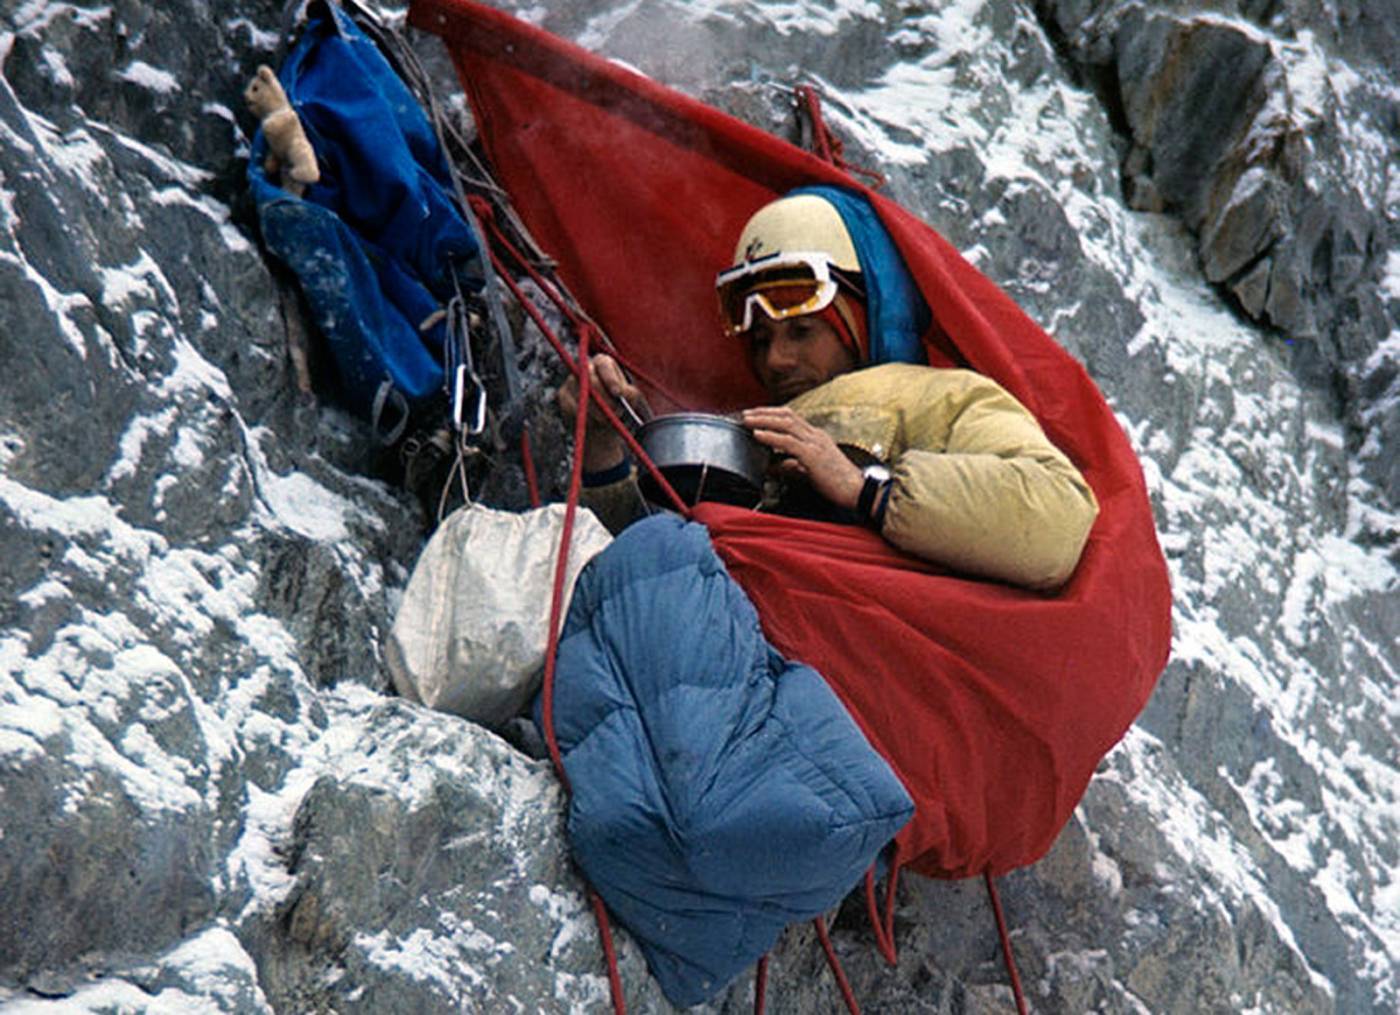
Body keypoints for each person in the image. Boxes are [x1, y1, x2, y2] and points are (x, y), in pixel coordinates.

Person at [557, 188, 1098, 592]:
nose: (775, 359)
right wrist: (604, 449)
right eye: (760, 339)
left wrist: (864, 488)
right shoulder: (743, 433)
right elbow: (631, 564)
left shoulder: (945, 397)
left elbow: (1057, 513)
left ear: (860, 318)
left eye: (801, 331)